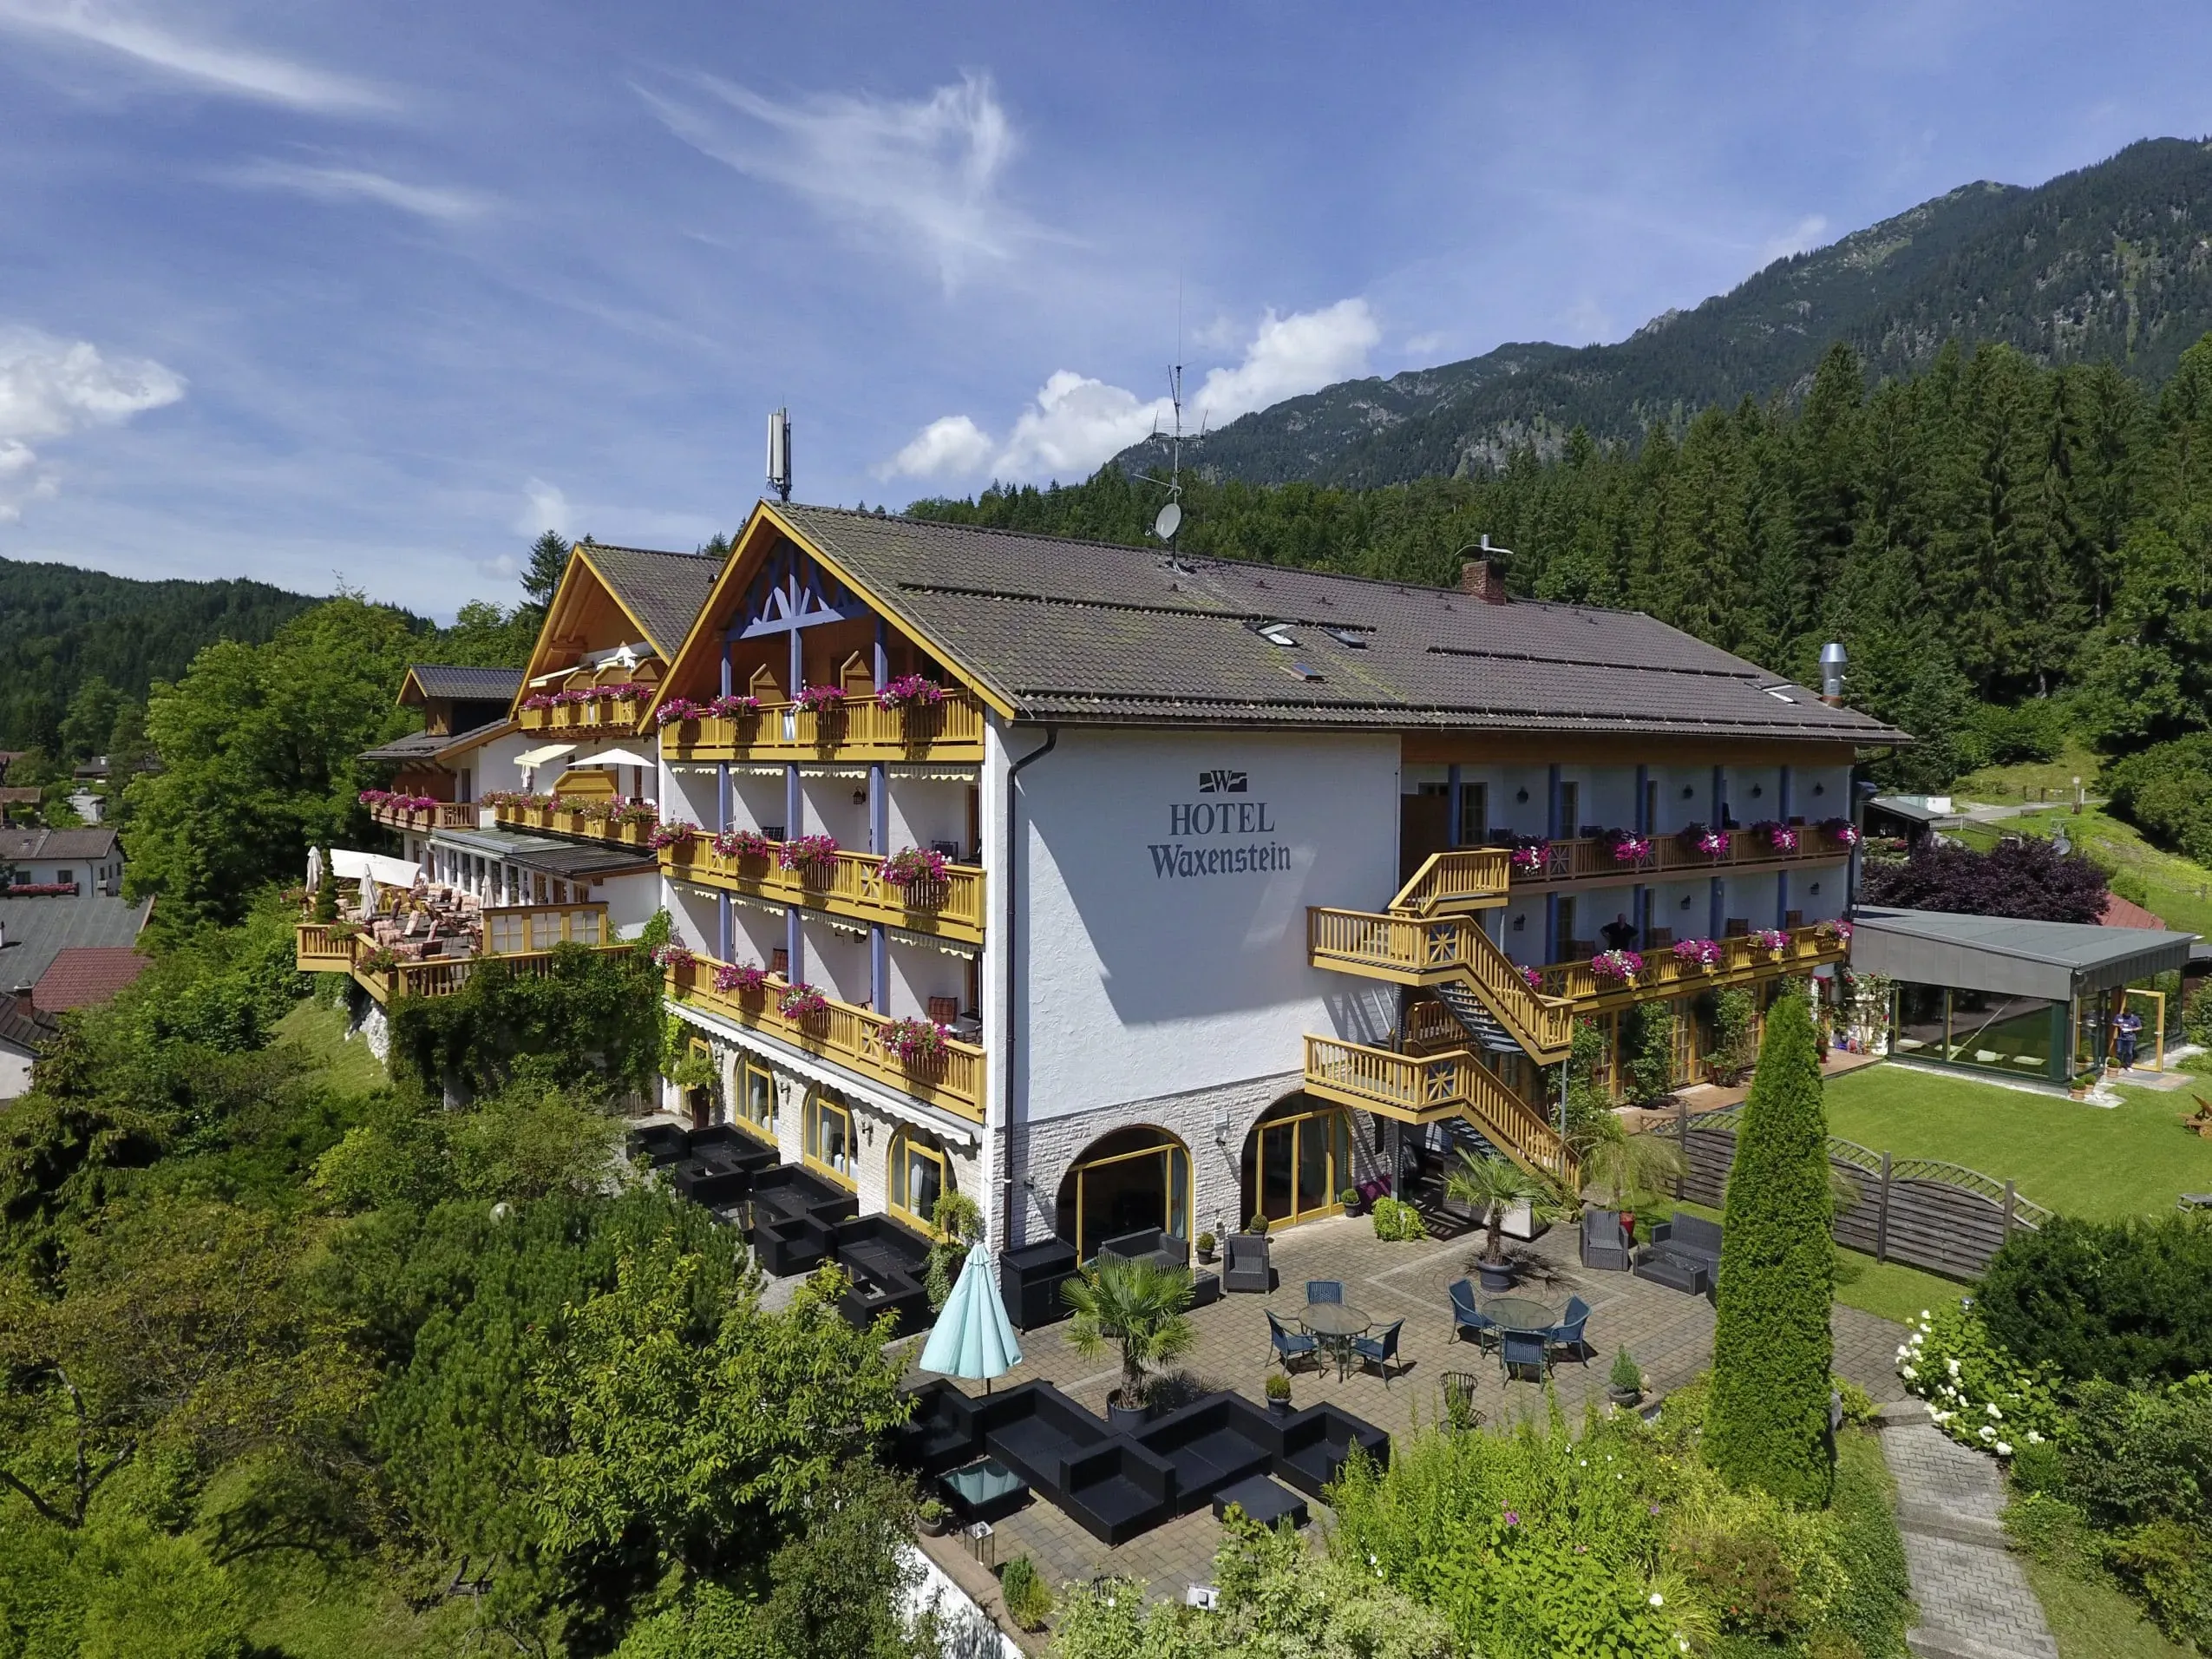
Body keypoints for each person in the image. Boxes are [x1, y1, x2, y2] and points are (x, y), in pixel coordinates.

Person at [2116, 1006, 2143, 1071]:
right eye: (2125, 1013)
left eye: (2128, 1013)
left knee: (2129, 1052)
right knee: (2119, 1051)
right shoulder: (2119, 1016)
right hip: (2121, 1037)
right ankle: (2119, 1063)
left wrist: (2133, 1029)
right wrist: (2119, 1025)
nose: (2127, 1014)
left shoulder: (2135, 1018)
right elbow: (2114, 1023)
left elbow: (2140, 1027)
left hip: (2131, 1037)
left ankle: (2128, 1065)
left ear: (2130, 1012)